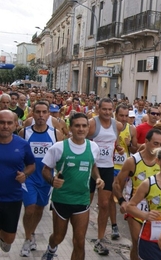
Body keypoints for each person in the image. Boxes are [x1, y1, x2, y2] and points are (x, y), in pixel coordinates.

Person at [41, 112, 104, 260]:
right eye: (77, 126)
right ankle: (51, 249)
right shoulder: (59, 147)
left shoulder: (93, 147)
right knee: (58, 237)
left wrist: (99, 178)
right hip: (62, 199)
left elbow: (93, 165)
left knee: (80, 242)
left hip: (82, 199)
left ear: (88, 128)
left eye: (84, 126)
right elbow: (45, 170)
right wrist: (52, 181)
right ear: (70, 128)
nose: (81, 129)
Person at [18, 101, 63, 257]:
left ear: (48, 115)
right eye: (38, 112)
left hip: (46, 178)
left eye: (44, 112)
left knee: (39, 208)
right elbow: (19, 153)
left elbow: (60, 156)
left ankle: (32, 232)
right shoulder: (24, 132)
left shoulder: (56, 133)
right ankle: (27, 238)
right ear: (33, 113)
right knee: (29, 208)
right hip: (29, 176)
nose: (41, 115)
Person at [113, 129, 161, 260]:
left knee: (154, 245)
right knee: (137, 242)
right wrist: (122, 201)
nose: (158, 147)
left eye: (160, 144)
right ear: (146, 142)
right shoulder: (133, 161)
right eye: (155, 143)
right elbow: (117, 184)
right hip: (135, 209)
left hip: (156, 210)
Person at [87, 97, 124, 255]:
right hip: (89, 168)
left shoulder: (118, 125)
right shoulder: (92, 124)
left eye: (110, 109)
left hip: (107, 168)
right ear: (98, 109)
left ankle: (100, 239)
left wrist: (119, 148)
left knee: (104, 204)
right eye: (104, 109)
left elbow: (114, 143)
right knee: (84, 205)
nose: (107, 112)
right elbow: (82, 141)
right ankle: (80, 233)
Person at [0, 110, 35, 253]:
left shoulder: (22, 144)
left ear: (15, 125)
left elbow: (32, 165)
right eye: (2, 122)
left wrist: (24, 175)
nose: (5, 126)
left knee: (9, 241)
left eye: (9, 123)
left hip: (12, 198)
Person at [110, 104, 137, 240]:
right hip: (111, 166)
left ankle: (127, 218)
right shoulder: (110, 126)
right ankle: (114, 225)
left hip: (124, 168)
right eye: (121, 115)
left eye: (127, 116)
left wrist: (129, 144)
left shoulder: (132, 129)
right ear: (116, 115)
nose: (124, 118)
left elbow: (134, 150)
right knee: (110, 196)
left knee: (121, 196)